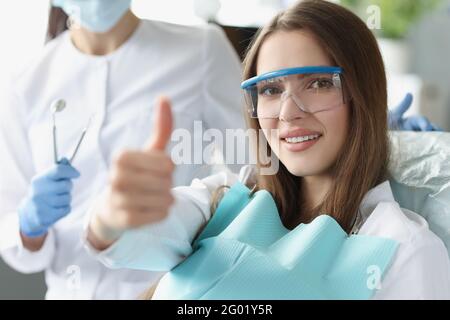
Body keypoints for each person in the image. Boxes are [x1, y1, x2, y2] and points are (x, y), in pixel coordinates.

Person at [84, 0, 450, 299]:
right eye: (271, 90)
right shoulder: (224, 201)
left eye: (320, 83)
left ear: (363, 93)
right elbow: (130, 239)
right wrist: (111, 216)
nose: (289, 113)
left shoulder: (402, 250)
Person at [0, 0, 244, 299]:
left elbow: (253, 171)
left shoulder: (201, 49)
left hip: (173, 289)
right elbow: (12, 231)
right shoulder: (24, 82)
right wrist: (29, 227)